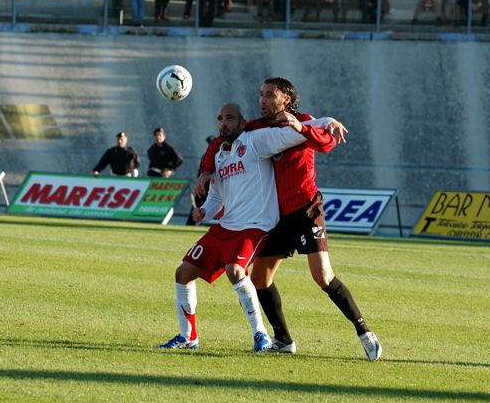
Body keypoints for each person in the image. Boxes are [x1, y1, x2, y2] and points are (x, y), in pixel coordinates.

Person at [197, 77, 381, 362]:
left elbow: (328, 141)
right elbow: (221, 142)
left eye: (270, 95)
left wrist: (303, 127)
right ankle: (283, 339)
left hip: (306, 209)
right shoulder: (257, 127)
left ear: (287, 99)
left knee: (322, 276)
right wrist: (206, 170)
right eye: (261, 95)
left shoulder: (304, 120)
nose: (263, 100)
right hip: (276, 216)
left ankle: (364, 331)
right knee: (259, 278)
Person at [159, 103, 337, 352]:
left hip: (256, 226)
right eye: (220, 119)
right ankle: (188, 336)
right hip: (226, 227)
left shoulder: (255, 140)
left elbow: (291, 132)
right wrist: (203, 213)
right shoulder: (220, 155)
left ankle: (261, 335)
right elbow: (217, 199)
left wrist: (324, 120)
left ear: (243, 122)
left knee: (235, 271)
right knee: (183, 273)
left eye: (230, 118)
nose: (224, 123)